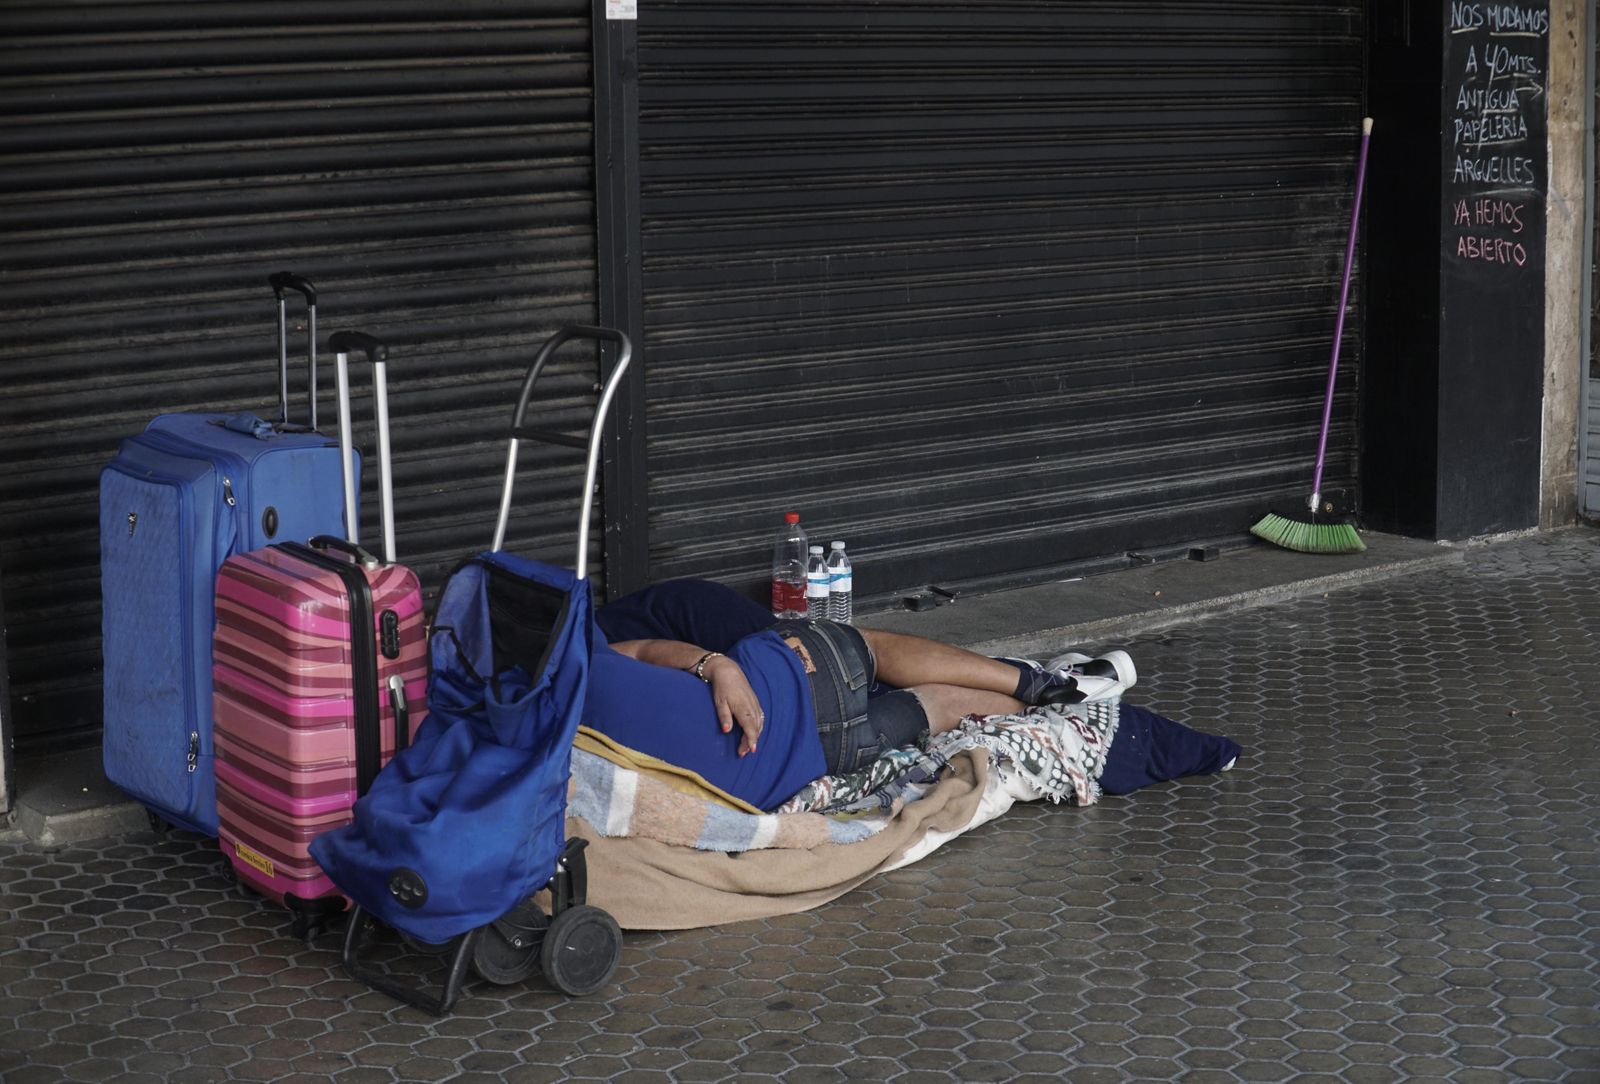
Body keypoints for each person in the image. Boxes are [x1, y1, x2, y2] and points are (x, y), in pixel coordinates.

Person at [588, 579, 1239, 811]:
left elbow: (642, 650)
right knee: (855, 655)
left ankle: (1053, 689)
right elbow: (642, 652)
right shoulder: (584, 675)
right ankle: (1051, 685)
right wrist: (715, 665)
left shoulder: (580, 684)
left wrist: (711, 665)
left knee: (922, 702)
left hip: (815, 747)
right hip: (803, 703)